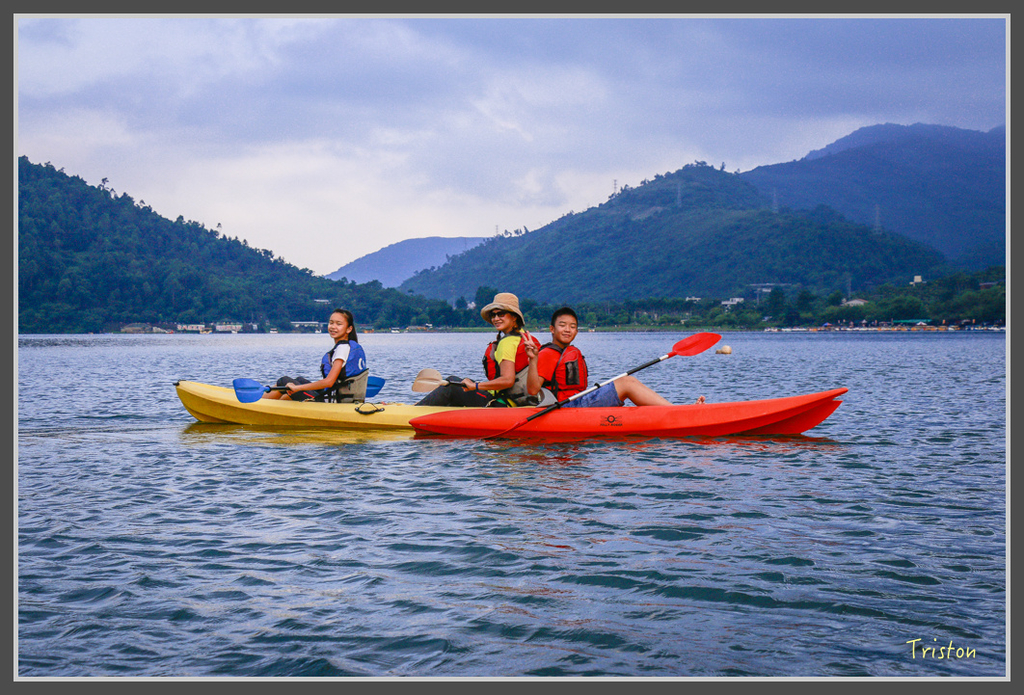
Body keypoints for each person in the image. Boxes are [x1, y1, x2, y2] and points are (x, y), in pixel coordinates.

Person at [525, 306, 705, 407]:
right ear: (552, 329)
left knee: (625, 383)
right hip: (566, 407)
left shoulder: (566, 351)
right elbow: (533, 390)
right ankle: (678, 412)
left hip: (578, 402)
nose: (567, 330)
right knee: (627, 383)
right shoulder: (549, 353)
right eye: (562, 325)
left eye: (572, 326)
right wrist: (533, 359)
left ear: (577, 331)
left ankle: (672, 411)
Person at [415, 292, 541, 407]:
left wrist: (475, 386)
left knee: (451, 385)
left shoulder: (507, 342)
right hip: (520, 402)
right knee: (460, 386)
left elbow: (507, 380)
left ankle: (415, 411)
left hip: (501, 404)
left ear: (514, 317)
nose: (496, 318)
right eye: (493, 315)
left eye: (501, 314)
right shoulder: (526, 337)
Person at [264, 308, 369, 403]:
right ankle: (277, 408)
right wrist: (298, 387)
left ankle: (258, 405)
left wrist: (298, 389)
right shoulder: (351, 347)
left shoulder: (342, 349)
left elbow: (329, 382)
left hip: (332, 402)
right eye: (331, 323)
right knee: (299, 380)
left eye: (338, 324)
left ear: (348, 329)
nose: (333, 327)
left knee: (284, 381)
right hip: (338, 397)